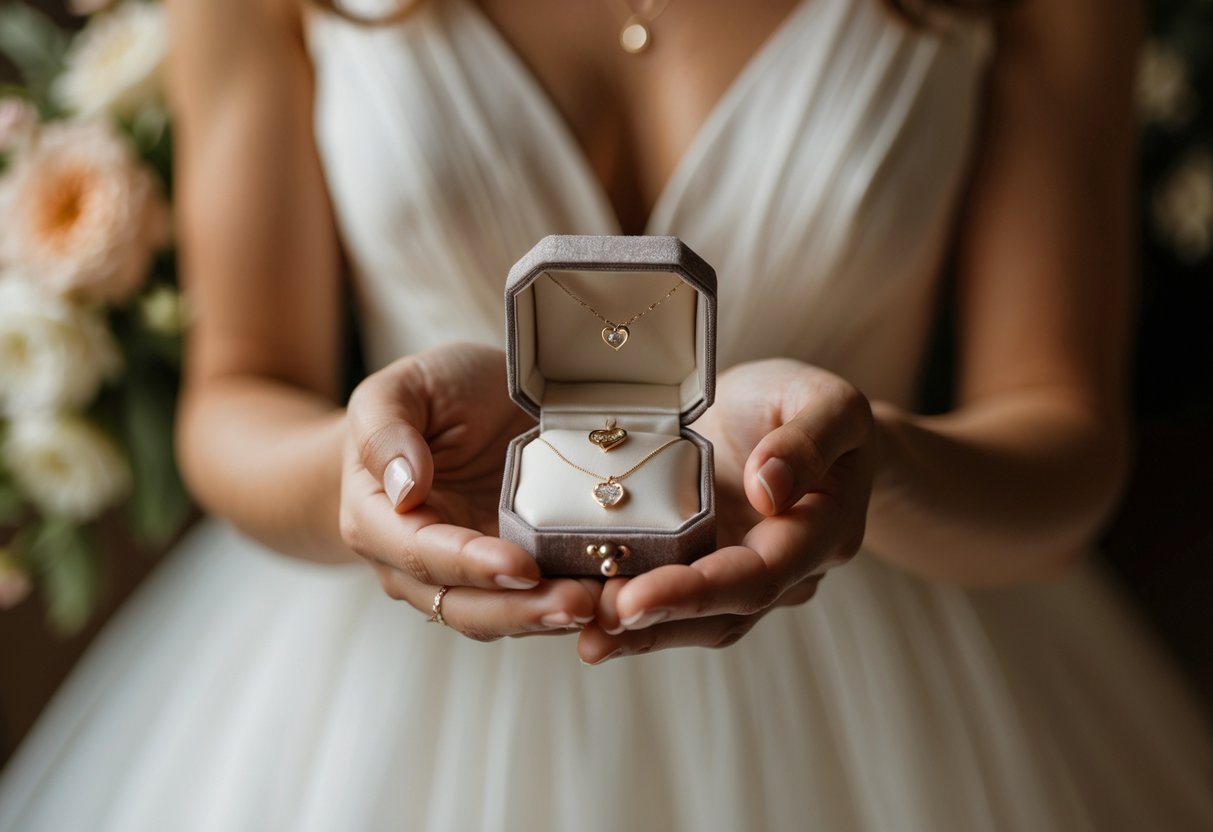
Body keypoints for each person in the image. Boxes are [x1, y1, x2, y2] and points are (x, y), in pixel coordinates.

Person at [3, 0, 1213, 828]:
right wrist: (364, 474)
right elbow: (237, 391)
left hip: (903, 677)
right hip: (358, 695)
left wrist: (874, 463)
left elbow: (1061, 438)